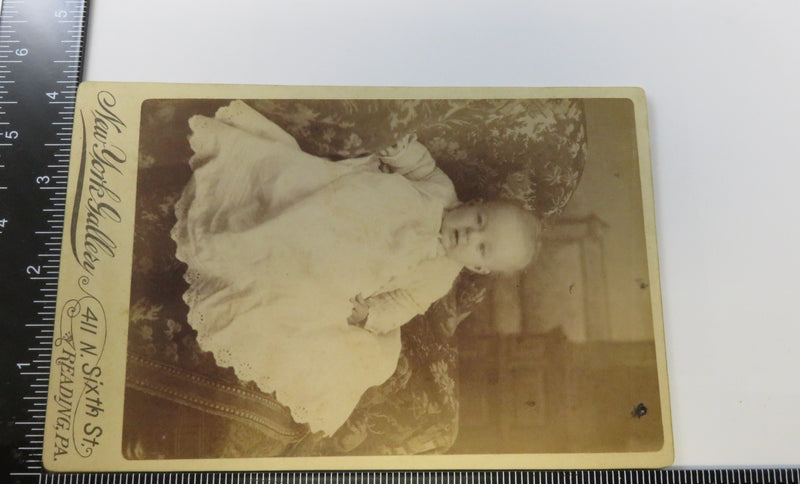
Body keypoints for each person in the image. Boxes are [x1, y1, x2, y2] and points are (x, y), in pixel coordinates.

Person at [171, 100, 541, 435]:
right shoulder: (440, 190)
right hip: (343, 212)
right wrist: (402, 151)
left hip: (351, 267)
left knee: (333, 326)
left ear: (479, 266)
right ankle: (252, 227)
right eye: (479, 219)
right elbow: (418, 165)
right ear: (474, 203)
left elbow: (405, 302)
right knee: (289, 193)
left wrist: (371, 315)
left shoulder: (440, 276)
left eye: (482, 246)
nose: (470, 234)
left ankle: (261, 274)